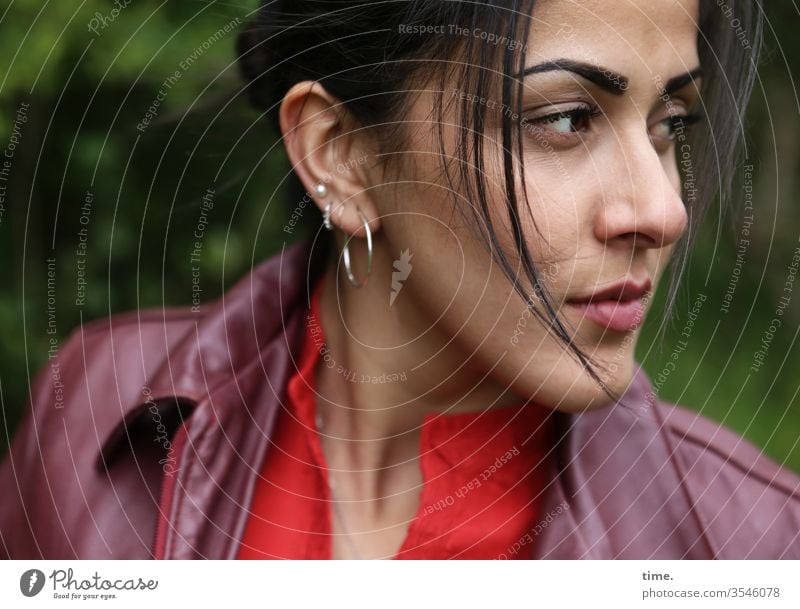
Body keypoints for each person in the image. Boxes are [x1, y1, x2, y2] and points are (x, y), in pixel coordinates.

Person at [2, 0, 799, 559]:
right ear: (342, 154)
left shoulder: (757, 547)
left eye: (669, 126)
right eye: (566, 119)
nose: (662, 211)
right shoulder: (94, 405)